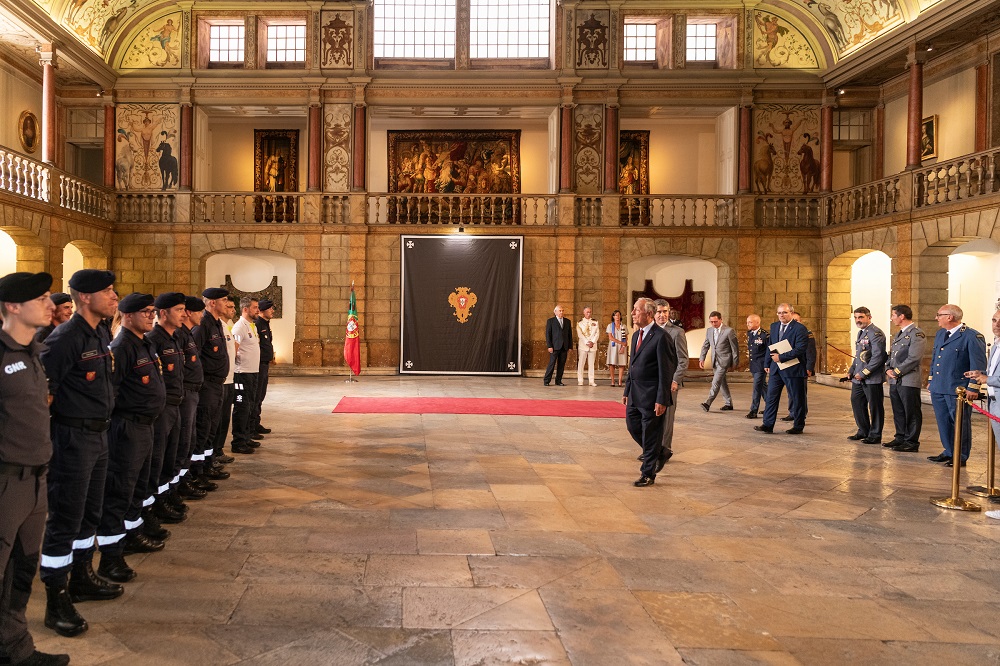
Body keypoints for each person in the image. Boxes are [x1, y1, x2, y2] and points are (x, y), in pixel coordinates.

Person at [39, 269, 120, 638]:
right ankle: (56, 598)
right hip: (72, 438)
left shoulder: (99, 331)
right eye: (107, 291)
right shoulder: (66, 337)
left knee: (90, 513)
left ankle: (83, 576)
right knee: (65, 519)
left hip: (98, 436)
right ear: (84, 297)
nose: (114, 296)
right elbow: (46, 393)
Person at [0, 271, 71, 666]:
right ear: (13, 306)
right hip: (6, 480)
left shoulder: (34, 352)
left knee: (22, 569)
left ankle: (15, 649)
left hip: (35, 478)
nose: (50, 304)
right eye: (41, 298)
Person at [95, 293, 167, 586]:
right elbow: (111, 390)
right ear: (127, 316)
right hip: (127, 427)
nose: (152, 316)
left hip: (145, 426)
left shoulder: (144, 342)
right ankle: (111, 556)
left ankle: (132, 532)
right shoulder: (122, 346)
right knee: (119, 490)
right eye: (146, 312)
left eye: (152, 311)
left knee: (138, 485)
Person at [143, 293, 189, 535]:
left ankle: (165, 496)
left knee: (171, 455)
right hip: (162, 409)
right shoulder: (154, 339)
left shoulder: (173, 337)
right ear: (164, 313)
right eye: (179, 310)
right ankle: (153, 507)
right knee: (157, 459)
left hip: (175, 404)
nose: (184, 314)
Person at [622, 298, 676, 487]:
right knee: (633, 426)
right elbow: (633, 364)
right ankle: (660, 452)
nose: (632, 313)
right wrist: (627, 389)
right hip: (635, 394)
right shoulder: (636, 335)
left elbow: (667, 370)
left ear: (649, 314)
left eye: (636, 310)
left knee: (651, 434)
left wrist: (662, 398)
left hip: (652, 396)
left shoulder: (661, 337)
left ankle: (648, 473)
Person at [927, 304, 985, 467]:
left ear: (950, 317)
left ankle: (961, 455)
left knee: (959, 423)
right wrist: (931, 380)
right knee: (943, 421)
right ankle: (949, 451)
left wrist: (973, 387)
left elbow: (978, 364)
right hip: (939, 387)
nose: (936, 318)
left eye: (939, 315)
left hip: (958, 389)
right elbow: (935, 359)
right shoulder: (940, 334)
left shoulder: (972, 336)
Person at [193, 288, 232, 484]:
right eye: (224, 300)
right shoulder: (203, 325)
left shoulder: (216, 324)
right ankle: (198, 473)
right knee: (203, 428)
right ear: (212, 303)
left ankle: (208, 465)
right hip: (207, 385)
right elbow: (195, 357)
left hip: (217, 385)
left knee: (211, 429)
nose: (227, 304)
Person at [173, 296, 208, 503]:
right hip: (183, 394)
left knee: (189, 439)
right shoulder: (178, 336)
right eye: (198, 312)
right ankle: (177, 485)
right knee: (182, 441)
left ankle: (185, 479)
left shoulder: (186, 335)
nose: (201, 316)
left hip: (192, 392)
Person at [965, 310, 1000, 518]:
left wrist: (989, 380)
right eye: (994, 320)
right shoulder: (995, 344)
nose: (997, 324)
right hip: (995, 403)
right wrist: (980, 375)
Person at [755, 303, 808, 434]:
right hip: (776, 369)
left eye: (784, 312)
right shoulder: (774, 326)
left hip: (793, 369)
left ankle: (798, 426)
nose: (781, 315)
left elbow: (800, 349)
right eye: (779, 313)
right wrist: (767, 363)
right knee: (771, 397)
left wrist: (782, 357)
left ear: (791, 313)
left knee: (797, 398)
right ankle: (767, 424)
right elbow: (770, 345)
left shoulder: (800, 328)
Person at [885, 305, 925, 453]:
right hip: (895, 379)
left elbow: (914, 357)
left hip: (908, 379)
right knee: (899, 410)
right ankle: (900, 437)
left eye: (893, 315)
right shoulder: (899, 334)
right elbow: (892, 355)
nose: (891, 318)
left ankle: (911, 441)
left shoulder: (916, 334)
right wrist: (887, 368)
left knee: (911, 411)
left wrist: (896, 371)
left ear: (902, 316)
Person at [846, 307, 887, 444]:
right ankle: (863, 430)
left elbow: (878, 356)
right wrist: (852, 370)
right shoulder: (861, 333)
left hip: (871, 378)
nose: (858, 320)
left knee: (875, 407)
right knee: (856, 402)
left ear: (869, 317)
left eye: (861, 317)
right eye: (856, 317)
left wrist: (864, 373)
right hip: (858, 378)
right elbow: (859, 356)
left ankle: (875, 434)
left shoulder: (876, 333)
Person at [654, 299, 688, 463]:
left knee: (667, 418)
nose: (662, 315)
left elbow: (683, 360)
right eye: (659, 312)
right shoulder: (649, 330)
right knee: (652, 416)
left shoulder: (677, 332)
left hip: (669, 383)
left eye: (665, 311)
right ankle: (652, 448)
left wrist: (675, 380)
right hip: (652, 382)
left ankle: (664, 450)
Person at [231, 297, 261, 453]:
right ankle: (238, 441)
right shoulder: (239, 327)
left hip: (252, 372)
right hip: (242, 374)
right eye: (255, 307)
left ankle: (247, 436)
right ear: (245, 309)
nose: (257, 310)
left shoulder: (252, 326)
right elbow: (234, 349)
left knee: (249, 405)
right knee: (241, 406)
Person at [699, 311, 739, 411]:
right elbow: (705, 345)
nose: (713, 324)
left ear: (721, 320)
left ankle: (707, 403)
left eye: (715, 321)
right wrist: (702, 358)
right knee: (722, 383)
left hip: (724, 361)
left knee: (715, 382)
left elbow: (735, 348)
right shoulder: (709, 331)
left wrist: (735, 363)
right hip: (714, 361)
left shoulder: (729, 331)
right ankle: (729, 403)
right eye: (711, 322)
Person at [782, 313, 816, 421]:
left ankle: (801, 414)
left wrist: (809, 367)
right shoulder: (789, 332)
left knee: (800, 393)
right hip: (790, 366)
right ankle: (792, 412)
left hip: (802, 366)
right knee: (790, 391)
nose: (795, 322)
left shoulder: (806, 333)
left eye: (796, 320)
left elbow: (811, 352)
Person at [252, 298, 275, 435]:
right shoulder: (257, 324)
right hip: (258, 364)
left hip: (264, 364)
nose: (272, 311)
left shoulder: (265, 323)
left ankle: (256, 422)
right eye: (270, 308)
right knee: (256, 396)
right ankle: (251, 425)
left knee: (260, 395)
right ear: (262, 310)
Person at [745, 314, 769, 419]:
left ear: (757, 323)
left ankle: (753, 411)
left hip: (761, 365)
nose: (747, 324)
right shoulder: (750, 333)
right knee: (763, 386)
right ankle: (771, 406)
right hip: (753, 364)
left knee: (757, 387)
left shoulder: (765, 335)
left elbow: (769, 351)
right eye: (747, 322)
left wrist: (767, 364)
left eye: (750, 322)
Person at [543, 305, 573, 386]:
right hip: (554, 346)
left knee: (561, 364)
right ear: (555, 312)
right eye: (559, 310)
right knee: (552, 364)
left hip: (564, 346)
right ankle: (546, 380)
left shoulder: (567, 321)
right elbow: (548, 334)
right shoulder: (551, 321)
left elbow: (569, 335)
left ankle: (558, 381)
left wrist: (570, 346)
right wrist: (549, 346)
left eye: (562, 310)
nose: (561, 312)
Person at [576, 307, 600, 386]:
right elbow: (580, 334)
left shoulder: (595, 322)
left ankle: (591, 380)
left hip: (592, 346)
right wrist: (587, 342)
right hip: (583, 345)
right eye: (587, 312)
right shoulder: (579, 323)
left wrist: (592, 341)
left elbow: (597, 333)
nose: (588, 314)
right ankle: (580, 380)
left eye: (590, 312)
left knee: (591, 364)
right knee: (581, 363)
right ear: (584, 312)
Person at [606, 310, 627, 387]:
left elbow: (626, 338)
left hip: (622, 347)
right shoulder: (610, 326)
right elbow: (611, 337)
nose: (617, 317)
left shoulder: (623, 326)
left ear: (620, 316)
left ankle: (620, 381)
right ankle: (612, 381)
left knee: (621, 364)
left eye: (618, 315)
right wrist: (621, 343)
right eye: (615, 315)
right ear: (613, 317)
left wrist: (623, 346)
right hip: (613, 346)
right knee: (612, 363)